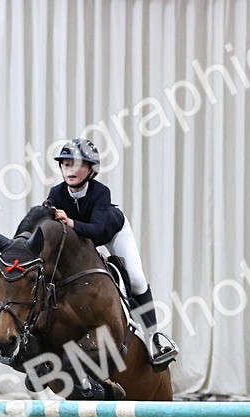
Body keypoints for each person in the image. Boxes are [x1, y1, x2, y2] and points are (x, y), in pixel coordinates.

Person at [46, 137, 178, 368]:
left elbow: (96, 233)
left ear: (91, 170)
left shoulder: (101, 193)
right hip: (80, 240)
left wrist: (70, 222)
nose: (70, 170)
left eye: (77, 165)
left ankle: (154, 338)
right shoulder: (56, 194)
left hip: (111, 233)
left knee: (136, 281)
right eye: (66, 164)